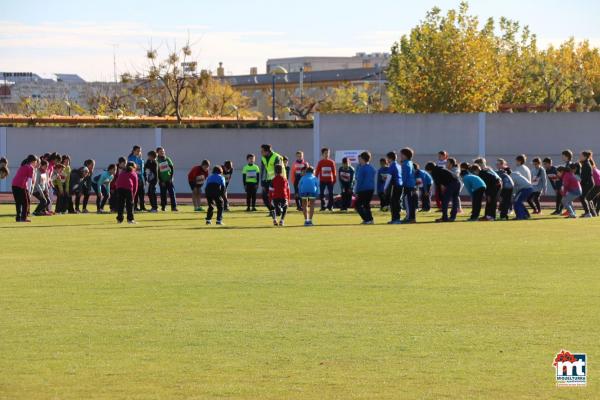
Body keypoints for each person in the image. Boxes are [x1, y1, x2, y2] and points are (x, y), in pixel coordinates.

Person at [12, 154, 37, 222]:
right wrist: (29, 191)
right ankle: (23, 218)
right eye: (36, 162)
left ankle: (18, 218)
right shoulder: (30, 168)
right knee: (26, 202)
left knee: (18, 202)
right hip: (20, 186)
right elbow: (29, 181)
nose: (36, 163)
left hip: (14, 185)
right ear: (33, 161)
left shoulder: (23, 166)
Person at [260, 144, 284, 213]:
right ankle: (272, 210)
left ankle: (278, 210)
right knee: (264, 196)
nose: (261, 153)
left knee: (276, 196)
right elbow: (263, 170)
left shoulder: (276, 157)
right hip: (267, 179)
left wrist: (277, 180)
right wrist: (262, 182)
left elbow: (278, 170)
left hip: (277, 179)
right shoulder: (263, 158)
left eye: (262, 151)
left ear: (267, 151)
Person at [354, 151, 376, 224]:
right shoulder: (371, 167)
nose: (359, 160)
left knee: (357, 205)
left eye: (360, 159)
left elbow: (359, 181)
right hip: (371, 189)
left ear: (363, 159)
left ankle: (368, 219)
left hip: (363, 189)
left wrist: (356, 191)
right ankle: (369, 219)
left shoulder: (362, 168)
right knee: (366, 205)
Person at [384, 151, 403, 224]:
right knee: (396, 202)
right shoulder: (398, 165)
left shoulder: (392, 166)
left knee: (393, 203)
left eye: (387, 158)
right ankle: (396, 219)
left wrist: (385, 188)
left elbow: (389, 178)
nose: (387, 160)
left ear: (390, 158)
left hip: (395, 186)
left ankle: (395, 219)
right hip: (400, 186)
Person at [315, 147, 337, 211]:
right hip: (322, 181)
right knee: (322, 194)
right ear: (322, 154)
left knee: (331, 194)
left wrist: (334, 179)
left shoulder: (331, 162)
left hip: (330, 181)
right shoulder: (320, 162)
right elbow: (317, 171)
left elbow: (334, 171)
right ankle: (323, 206)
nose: (327, 154)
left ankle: (330, 206)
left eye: (328, 153)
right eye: (325, 153)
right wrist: (315, 179)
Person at [156, 147, 178, 211]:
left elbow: (172, 168)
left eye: (163, 151)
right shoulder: (157, 161)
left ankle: (174, 207)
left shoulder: (167, 159)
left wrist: (171, 178)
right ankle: (163, 207)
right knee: (163, 194)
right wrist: (160, 180)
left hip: (169, 179)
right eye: (160, 151)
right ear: (157, 153)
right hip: (162, 180)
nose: (162, 152)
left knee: (172, 193)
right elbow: (157, 171)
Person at [400, 148, 418, 223]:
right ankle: (412, 218)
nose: (400, 156)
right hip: (413, 186)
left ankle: (409, 218)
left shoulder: (405, 164)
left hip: (408, 186)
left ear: (405, 155)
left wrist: (401, 184)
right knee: (411, 203)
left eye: (401, 154)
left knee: (408, 202)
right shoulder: (410, 162)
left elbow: (404, 176)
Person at [127, 145, 146, 212]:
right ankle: (135, 207)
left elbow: (142, 171)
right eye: (138, 151)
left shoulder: (140, 159)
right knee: (135, 193)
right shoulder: (130, 158)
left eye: (140, 151)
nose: (139, 152)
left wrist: (144, 179)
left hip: (141, 178)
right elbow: (130, 169)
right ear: (134, 151)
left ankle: (142, 207)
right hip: (134, 178)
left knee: (142, 193)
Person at [578, 150, 596, 218]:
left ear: (585, 157)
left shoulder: (586, 164)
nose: (580, 157)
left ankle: (588, 213)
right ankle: (587, 212)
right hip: (588, 183)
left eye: (581, 156)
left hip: (588, 183)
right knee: (583, 197)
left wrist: (580, 183)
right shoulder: (585, 163)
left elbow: (584, 177)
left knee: (583, 197)